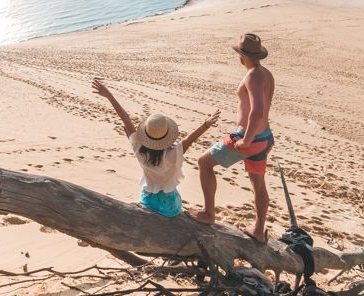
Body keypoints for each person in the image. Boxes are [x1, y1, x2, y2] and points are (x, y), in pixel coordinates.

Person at [188, 33, 275, 244]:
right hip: (264, 137)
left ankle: (209, 213)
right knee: (258, 185)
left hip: (249, 139)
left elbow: (257, 111)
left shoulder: (253, 76)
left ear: (242, 56)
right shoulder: (266, 74)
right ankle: (258, 230)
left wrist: (246, 140)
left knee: (204, 162)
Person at [92, 78, 220, 217]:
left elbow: (125, 118)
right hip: (170, 207)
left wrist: (109, 95)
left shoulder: (139, 150)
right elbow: (190, 139)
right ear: (167, 136)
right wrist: (206, 125)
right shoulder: (173, 155)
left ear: (146, 134)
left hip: (149, 202)